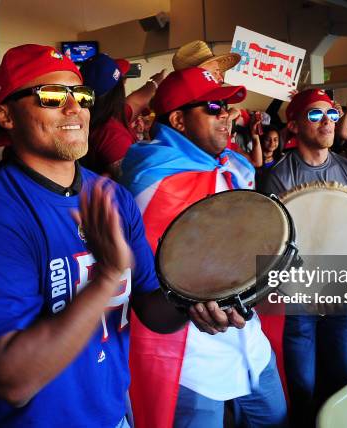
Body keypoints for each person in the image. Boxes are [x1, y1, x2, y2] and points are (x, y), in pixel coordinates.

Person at [0, 44, 229, 428]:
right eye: (50, 96)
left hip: (110, 415)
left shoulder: (112, 197)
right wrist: (107, 278)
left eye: (81, 95)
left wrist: (193, 300)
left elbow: (151, 308)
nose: (73, 107)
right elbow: (13, 380)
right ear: (6, 116)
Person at [121, 67, 288, 428]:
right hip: (192, 357)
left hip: (250, 341)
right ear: (179, 120)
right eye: (214, 106)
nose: (226, 115)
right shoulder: (153, 181)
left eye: (227, 107)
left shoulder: (236, 167)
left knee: (275, 417)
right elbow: (150, 286)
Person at [258, 89, 347, 427]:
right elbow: (273, 243)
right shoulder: (279, 176)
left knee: (343, 375)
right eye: (315, 115)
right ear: (295, 124)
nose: (327, 121)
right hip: (299, 297)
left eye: (331, 113)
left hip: (341, 292)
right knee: (304, 386)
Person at [80, 53, 165, 179]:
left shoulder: (107, 115)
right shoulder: (110, 135)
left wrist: (154, 82)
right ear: (118, 89)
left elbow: (137, 101)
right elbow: (138, 182)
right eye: (123, 79)